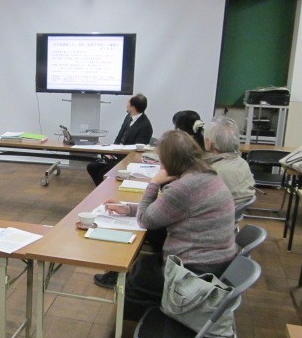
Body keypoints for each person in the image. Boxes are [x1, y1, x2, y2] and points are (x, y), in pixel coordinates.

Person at [93, 130, 238, 321]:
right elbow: (166, 209)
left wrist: (153, 183)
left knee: (138, 274)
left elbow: (146, 220)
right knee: (143, 263)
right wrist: (127, 208)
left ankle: (149, 323)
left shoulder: (183, 187)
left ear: (170, 161)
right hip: (219, 260)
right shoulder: (206, 175)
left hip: (197, 271)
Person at [86, 93, 153, 185]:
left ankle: (105, 190)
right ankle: (102, 188)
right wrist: (111, 151)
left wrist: (117, 155)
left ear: (133, 107)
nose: (126, 104)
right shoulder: (128, 117)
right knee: (92, 167)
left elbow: (137, 150)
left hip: (126, 160)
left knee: (103, 173)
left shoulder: (145, 126)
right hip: (117, 155)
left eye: (128, 103)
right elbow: (119, 137)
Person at [204, 116, 255, 206]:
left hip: (221, 211)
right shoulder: (242, 162)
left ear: (209, 143)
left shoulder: (214, 171)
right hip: (236, 209)